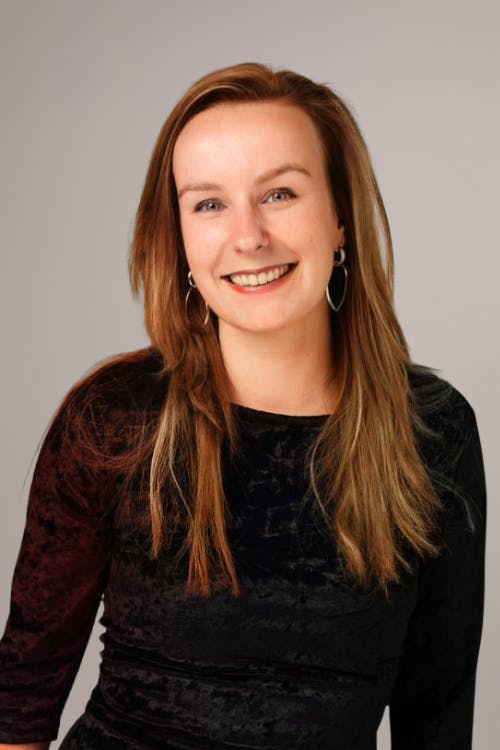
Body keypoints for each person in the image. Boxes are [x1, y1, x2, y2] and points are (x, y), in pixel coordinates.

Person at [0, 62, 486, 750]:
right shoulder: (112, 418)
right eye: (209, 204)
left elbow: (437, 718)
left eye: (280, 193)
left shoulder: (433, 431)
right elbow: (18, 705)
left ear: (341, 218)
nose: (249, 236)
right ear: (180, 238)